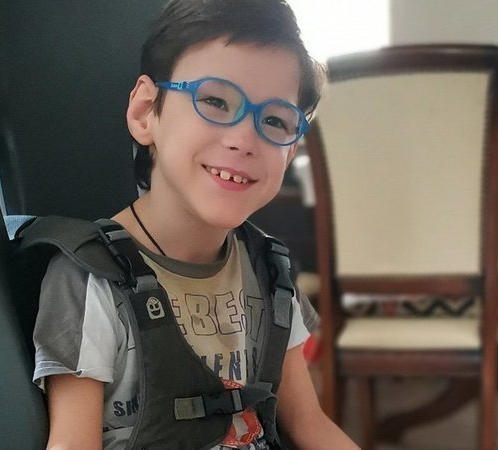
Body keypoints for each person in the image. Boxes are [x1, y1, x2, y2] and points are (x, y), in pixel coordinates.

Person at [32, 0, 359, 448]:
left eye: (274, 120)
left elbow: (309, 424)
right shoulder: (91, 279)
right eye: (215, 101)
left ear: (291, 151)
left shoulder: (269, 271)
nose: (244, 139)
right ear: (145, 112)